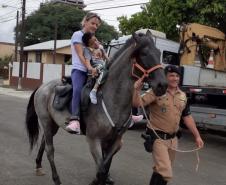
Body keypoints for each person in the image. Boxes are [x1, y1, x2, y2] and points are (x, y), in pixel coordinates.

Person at [133, 65, 204, 185]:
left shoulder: (182, 95)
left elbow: (187, 117)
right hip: (157, 138)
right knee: (166, 172)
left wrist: (197, 136)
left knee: (159, 171)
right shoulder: (157, 90)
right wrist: (136, 90)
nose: (175, 78)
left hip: (173, 139)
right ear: (165, 77)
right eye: (171, 75)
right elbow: (137, 104)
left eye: (177, 76)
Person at [66, 13, 101, 134]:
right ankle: (74, 120)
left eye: (97, 24)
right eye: (92, 23)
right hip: (80, 69)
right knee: (78, 90)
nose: (95, 26)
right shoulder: (78, 35)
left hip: (94, 71)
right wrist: (90, 68)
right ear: (85, 22)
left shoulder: (93, 38)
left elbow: (100, 52)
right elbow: (81, 55)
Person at [81, 32, 109, 104]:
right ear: (90, 43)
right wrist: (91, 69)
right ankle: (94, 90)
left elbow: (107, 58)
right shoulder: (87, 50)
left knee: (106, 67)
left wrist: (111, 62)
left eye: (96, 40)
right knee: (103, 69)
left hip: (102, 65)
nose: (97, 42)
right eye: (94, 41)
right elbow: (87, 62)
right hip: (96, 67)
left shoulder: (100, 48)